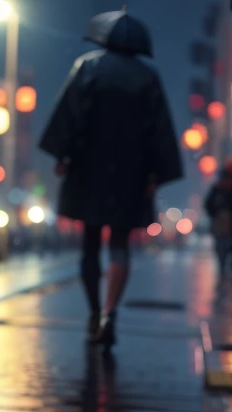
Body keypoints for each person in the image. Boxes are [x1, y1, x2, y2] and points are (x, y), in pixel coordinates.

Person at [39, 8, 182, 347]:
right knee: (119, 245)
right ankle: (109, 312)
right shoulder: (149, 77)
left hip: (88, 169)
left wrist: (63, 156)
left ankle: (92, 313)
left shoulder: (88, 66)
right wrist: (155, 174)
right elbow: (158, 131)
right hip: (131, 174)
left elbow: (69, 115)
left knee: (90, 245)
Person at [205, 161, 232, 284]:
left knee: (229, 246)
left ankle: (226, 267)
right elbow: (208, 205)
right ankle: (222, 266)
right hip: (219, 225)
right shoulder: (216, 190)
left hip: (230, 225)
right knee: (220, 247)